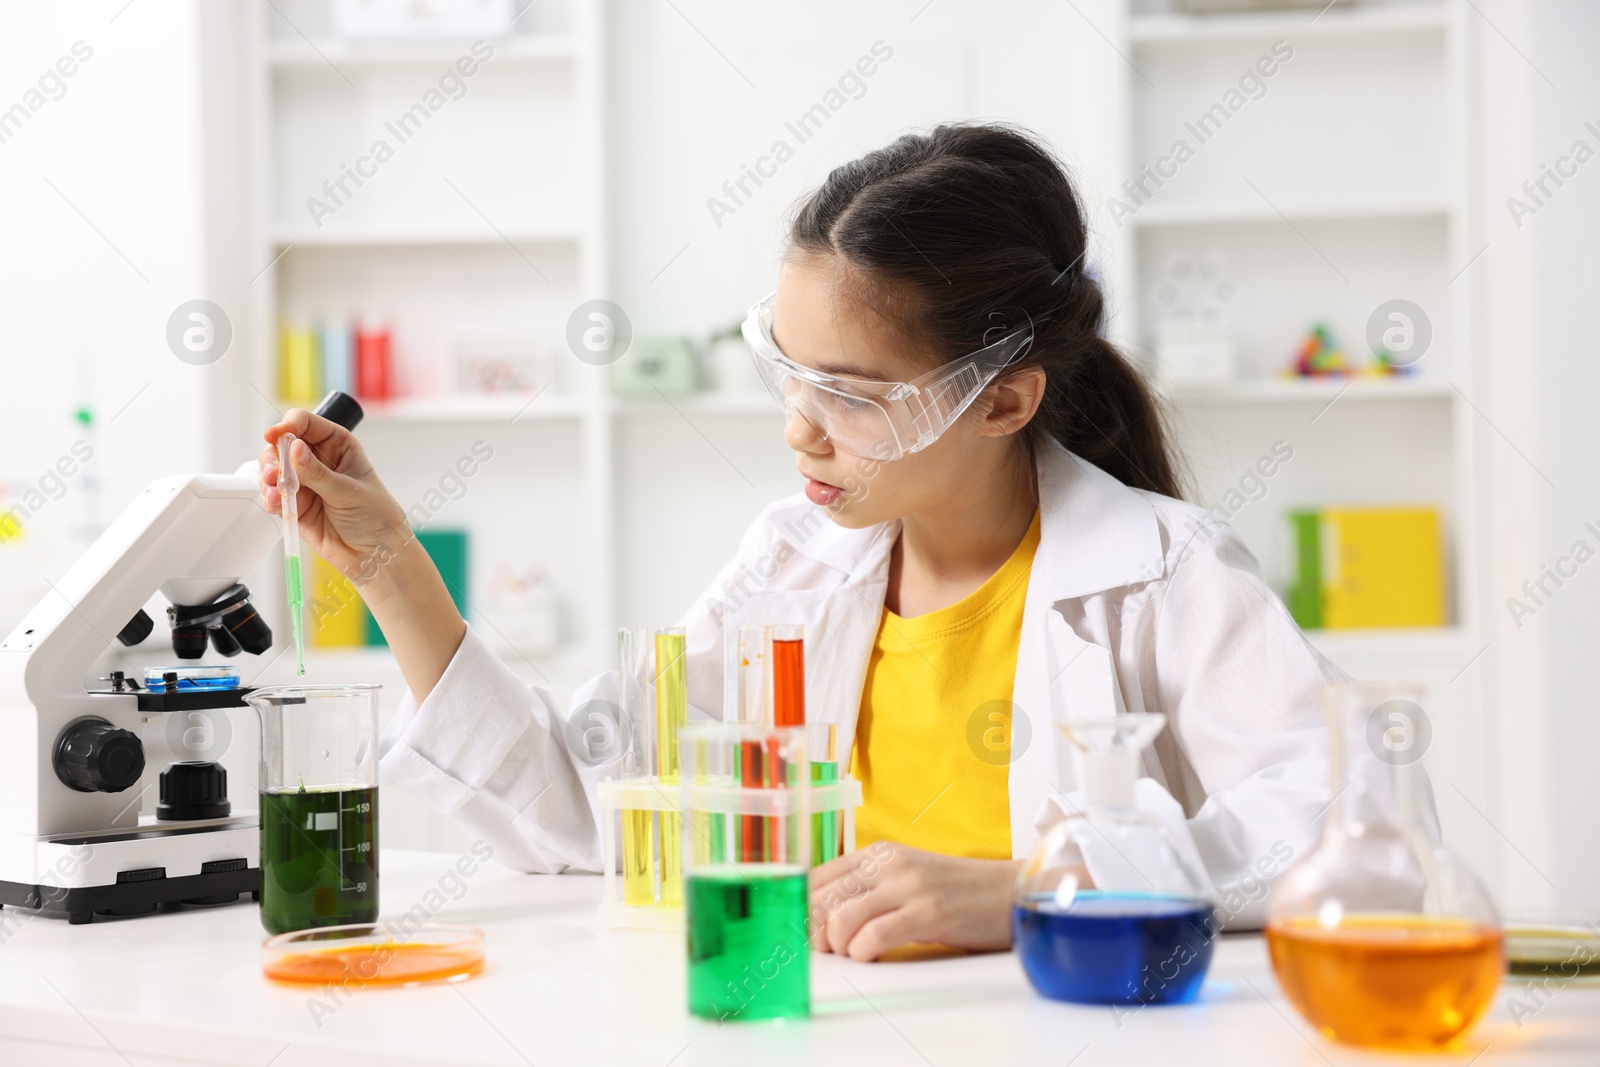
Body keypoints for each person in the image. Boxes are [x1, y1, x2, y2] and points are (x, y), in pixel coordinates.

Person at [258, 123, 1337, 962]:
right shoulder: (794, 562)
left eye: (853, 396)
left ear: (1004, 400)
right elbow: (591, 806)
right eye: (788, 370)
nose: (799, 428)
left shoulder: (1165, 573)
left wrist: (1034, 885)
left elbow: (1343, 836)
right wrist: (387, 560)